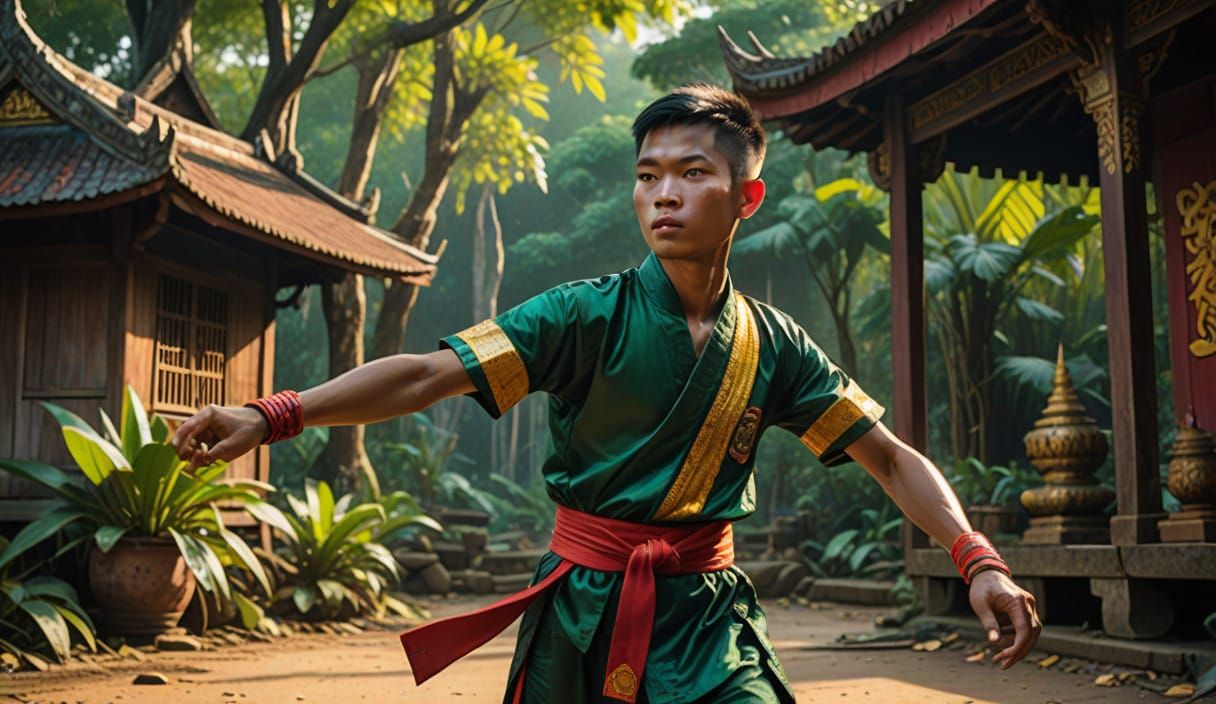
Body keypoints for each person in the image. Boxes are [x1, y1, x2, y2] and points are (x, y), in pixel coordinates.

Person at [172, 84, 1042, 703]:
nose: (664, 193)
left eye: (693, 173)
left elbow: (886, 457)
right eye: (648, 174)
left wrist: (979, 560)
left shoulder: (776, 344)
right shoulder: (582, 316)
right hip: (583, 609)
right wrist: (269, 414)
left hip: (710, 616)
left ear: (747, 195)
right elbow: (428, 373)